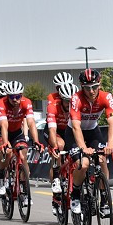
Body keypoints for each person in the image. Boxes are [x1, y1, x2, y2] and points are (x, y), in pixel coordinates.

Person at [69, 68, 113, 216]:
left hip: (93, 131)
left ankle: (104, 199)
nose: (91, 91)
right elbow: (76, 127)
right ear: (81, 87)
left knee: (102, 159)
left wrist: (110, 144)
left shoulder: (106, 97)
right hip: (74, 132)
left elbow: (112, 122)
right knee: (83, 164)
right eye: (87, 88)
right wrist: (83, 148)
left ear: (99, 84)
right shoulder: (76, 99)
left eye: (95, 87)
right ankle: (76, 193)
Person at [46, 71, 76, 201]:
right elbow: (52, 128)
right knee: (60, 146)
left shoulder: (76, 98)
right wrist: (54, 147)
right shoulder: (52, 100)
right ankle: (56, 179)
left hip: (69, 130)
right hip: (56, 129)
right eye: (59, 88)